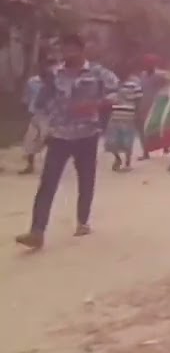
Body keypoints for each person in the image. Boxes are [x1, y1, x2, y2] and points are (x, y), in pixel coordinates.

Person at [15, 33, 119, 250]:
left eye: (71, 49)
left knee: (86, 179)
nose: (67, 54)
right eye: (64, 50)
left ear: (81, 50)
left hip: (87, 134)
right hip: (59, 134)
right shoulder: (54, 74)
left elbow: (117, 92)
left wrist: (97, 105)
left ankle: (82, 221)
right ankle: (37, 231)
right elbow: (42, 101)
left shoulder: (98, 72)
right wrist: (44, 117)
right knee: (48, 183)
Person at [18, 57, 55, 175]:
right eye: (43, 66)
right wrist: (25, 110)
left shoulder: (56, 82)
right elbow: (27, 97)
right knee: (30, 139)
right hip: (36, 114)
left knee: (49, 140)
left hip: (50, 116)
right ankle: (30, 165)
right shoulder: (32, 82)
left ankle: (52, 165)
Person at [105, 73, 144, 172]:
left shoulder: (133, 85)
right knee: (116, 140)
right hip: (120, 115)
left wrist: (138, 113)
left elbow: (139, 100)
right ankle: (121, 160)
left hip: (125, 116)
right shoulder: (116, 85)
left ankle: (125, 162)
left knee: (123, 140)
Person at [135, 55, 167, 162]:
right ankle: (145, 152)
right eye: (148, 63)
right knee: (143, 130)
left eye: (152, 63)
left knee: (160, 127)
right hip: (143, 105)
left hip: (157, 105)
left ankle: (166, 146)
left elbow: (169, 84)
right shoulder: (142, 76)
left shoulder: (161, 75)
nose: (150, 65)